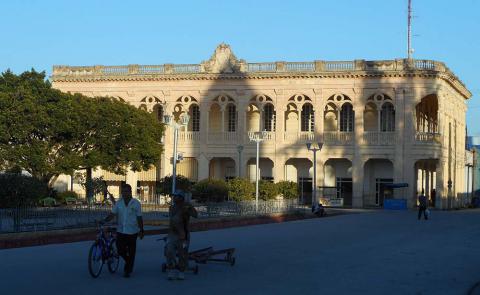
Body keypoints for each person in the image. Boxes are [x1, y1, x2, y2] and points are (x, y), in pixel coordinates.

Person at [103, 184, 144, 278]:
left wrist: (141, 230)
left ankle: (127, 270)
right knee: (120, 250)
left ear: (130, 192)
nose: (124, 193)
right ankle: (129, 262)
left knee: (131, 251)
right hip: (121, 230)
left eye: (126, 191)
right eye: (123, 191)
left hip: (132, 231)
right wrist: (104, 220)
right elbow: (112, 214)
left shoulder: (136, 203)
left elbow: (139, 217)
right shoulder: (119, 203)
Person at [166, 191, 198, 280]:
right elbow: (172, 222)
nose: (174, 198)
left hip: (184, 234)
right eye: (174, 196)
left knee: (183, 253)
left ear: (181, 197)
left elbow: (196, 215)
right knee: (169, 251)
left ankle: (181, 271)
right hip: (172, 233)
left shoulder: (186, 206)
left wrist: (189, 208)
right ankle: (171, 269)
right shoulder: (172, 208)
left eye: (176, 196)